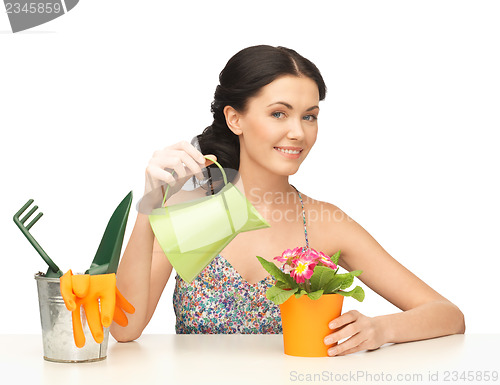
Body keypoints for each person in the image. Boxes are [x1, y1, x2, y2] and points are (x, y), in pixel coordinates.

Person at [110, 45, 465, 356]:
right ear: (235, 118)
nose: (298, 132)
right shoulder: (190, 211)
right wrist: (151, 205)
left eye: (309, 116)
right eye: (279, 113)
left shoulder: (325, 222)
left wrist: (379, 330)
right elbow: (124, 329)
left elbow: (447, 314)